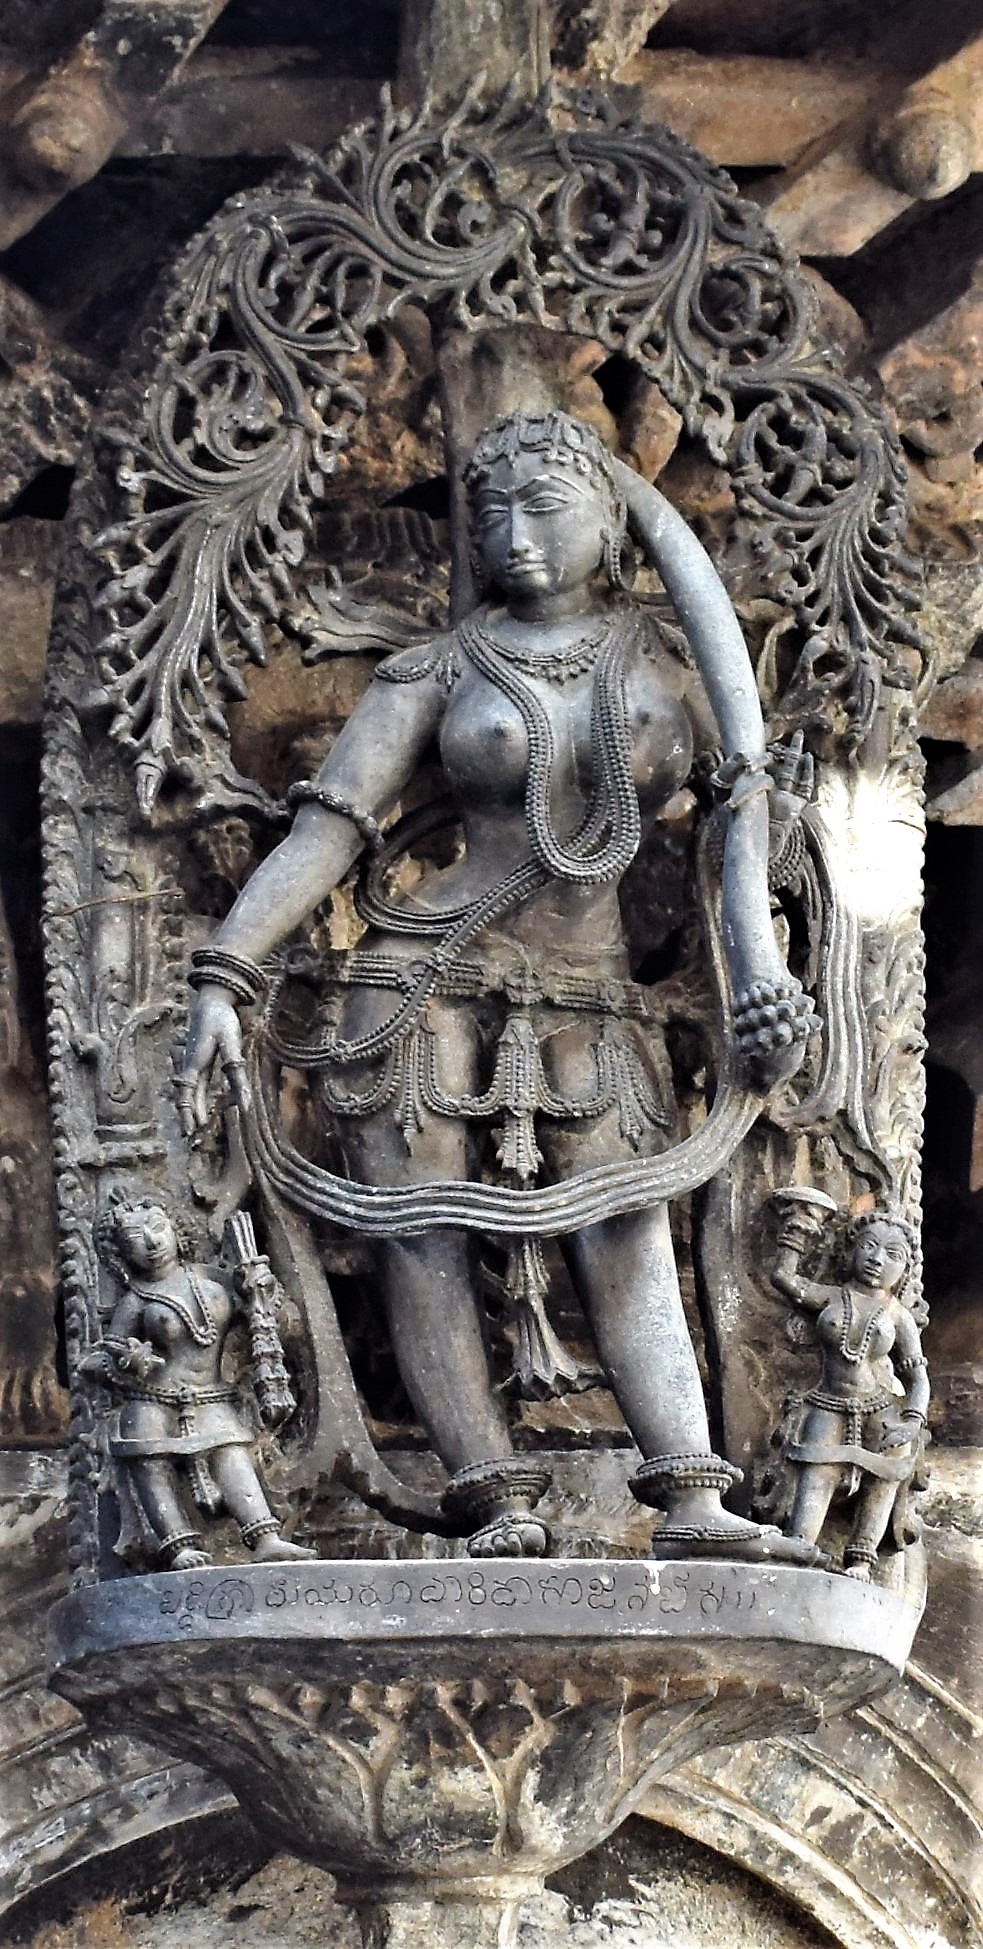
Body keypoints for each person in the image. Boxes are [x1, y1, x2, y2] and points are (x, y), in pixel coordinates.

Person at [179, 409, 816, 1559]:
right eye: (492, 515)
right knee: (418, 1232)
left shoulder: (668, 660)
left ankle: (689, 1496)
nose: (514, 536)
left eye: (545, 508)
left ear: (609, 524)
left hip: (591, 980)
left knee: (624, 1222)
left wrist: (758, 962)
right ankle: (492, 1495)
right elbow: (330, 829)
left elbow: (743, 811)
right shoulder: (436, 667)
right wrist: (226, 972)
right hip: (421, 972)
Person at [88, 1191, 313, 1569]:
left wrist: (260, 1289)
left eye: (158, 1228)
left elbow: (264, 1315)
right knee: (152, 1464)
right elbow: (103, 1356)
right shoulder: (136, 1300)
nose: (152, 1242)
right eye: (135, 1239)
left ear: (176, 1229)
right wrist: (129, 1359)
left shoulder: (212, 1279)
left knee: (232, 1456)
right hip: (154, 1401)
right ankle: (178, 1546)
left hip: (212, 1396)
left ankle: (265, 1538)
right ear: (121, 1255)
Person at [770, 1203, 929, 1577]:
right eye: (868, 1246)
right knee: (817, 1474)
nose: (877, 1260)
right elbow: (784, 1279)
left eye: (893, 1255)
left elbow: (917, 1378)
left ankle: (862, 1557)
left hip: (879, 1409)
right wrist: (797, 1230)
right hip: (827, 1403)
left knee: (889, 1467)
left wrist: (912, 1421)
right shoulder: (832, 1297)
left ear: (905, 1270)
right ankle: (801, 1550)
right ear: (850, 1251)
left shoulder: (898, 1316)